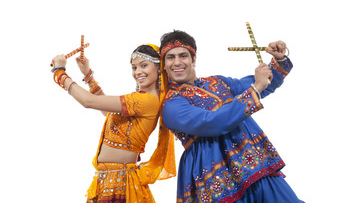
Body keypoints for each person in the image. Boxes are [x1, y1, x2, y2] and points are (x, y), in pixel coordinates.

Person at [159, 30, 303, 202]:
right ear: (164, 64)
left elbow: (263, 84)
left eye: (183, 55)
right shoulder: (172, 104)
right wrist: (255, 89)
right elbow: (212, 122)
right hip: (215, 175)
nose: (177, 62)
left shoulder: (217, 82)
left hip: (252, 162)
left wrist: (278, 61)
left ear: (193, 59)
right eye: (170, 57)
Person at [51, 44, 176, 203]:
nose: (138, 72)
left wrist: (60, 73)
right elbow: (108, 112)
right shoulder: (145, 99)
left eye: (144, 65)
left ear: (159, 68)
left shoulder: (146, 100)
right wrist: (88, 75)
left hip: (120, 182)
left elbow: (89, 101)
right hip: (110, 180)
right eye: (134, 67)